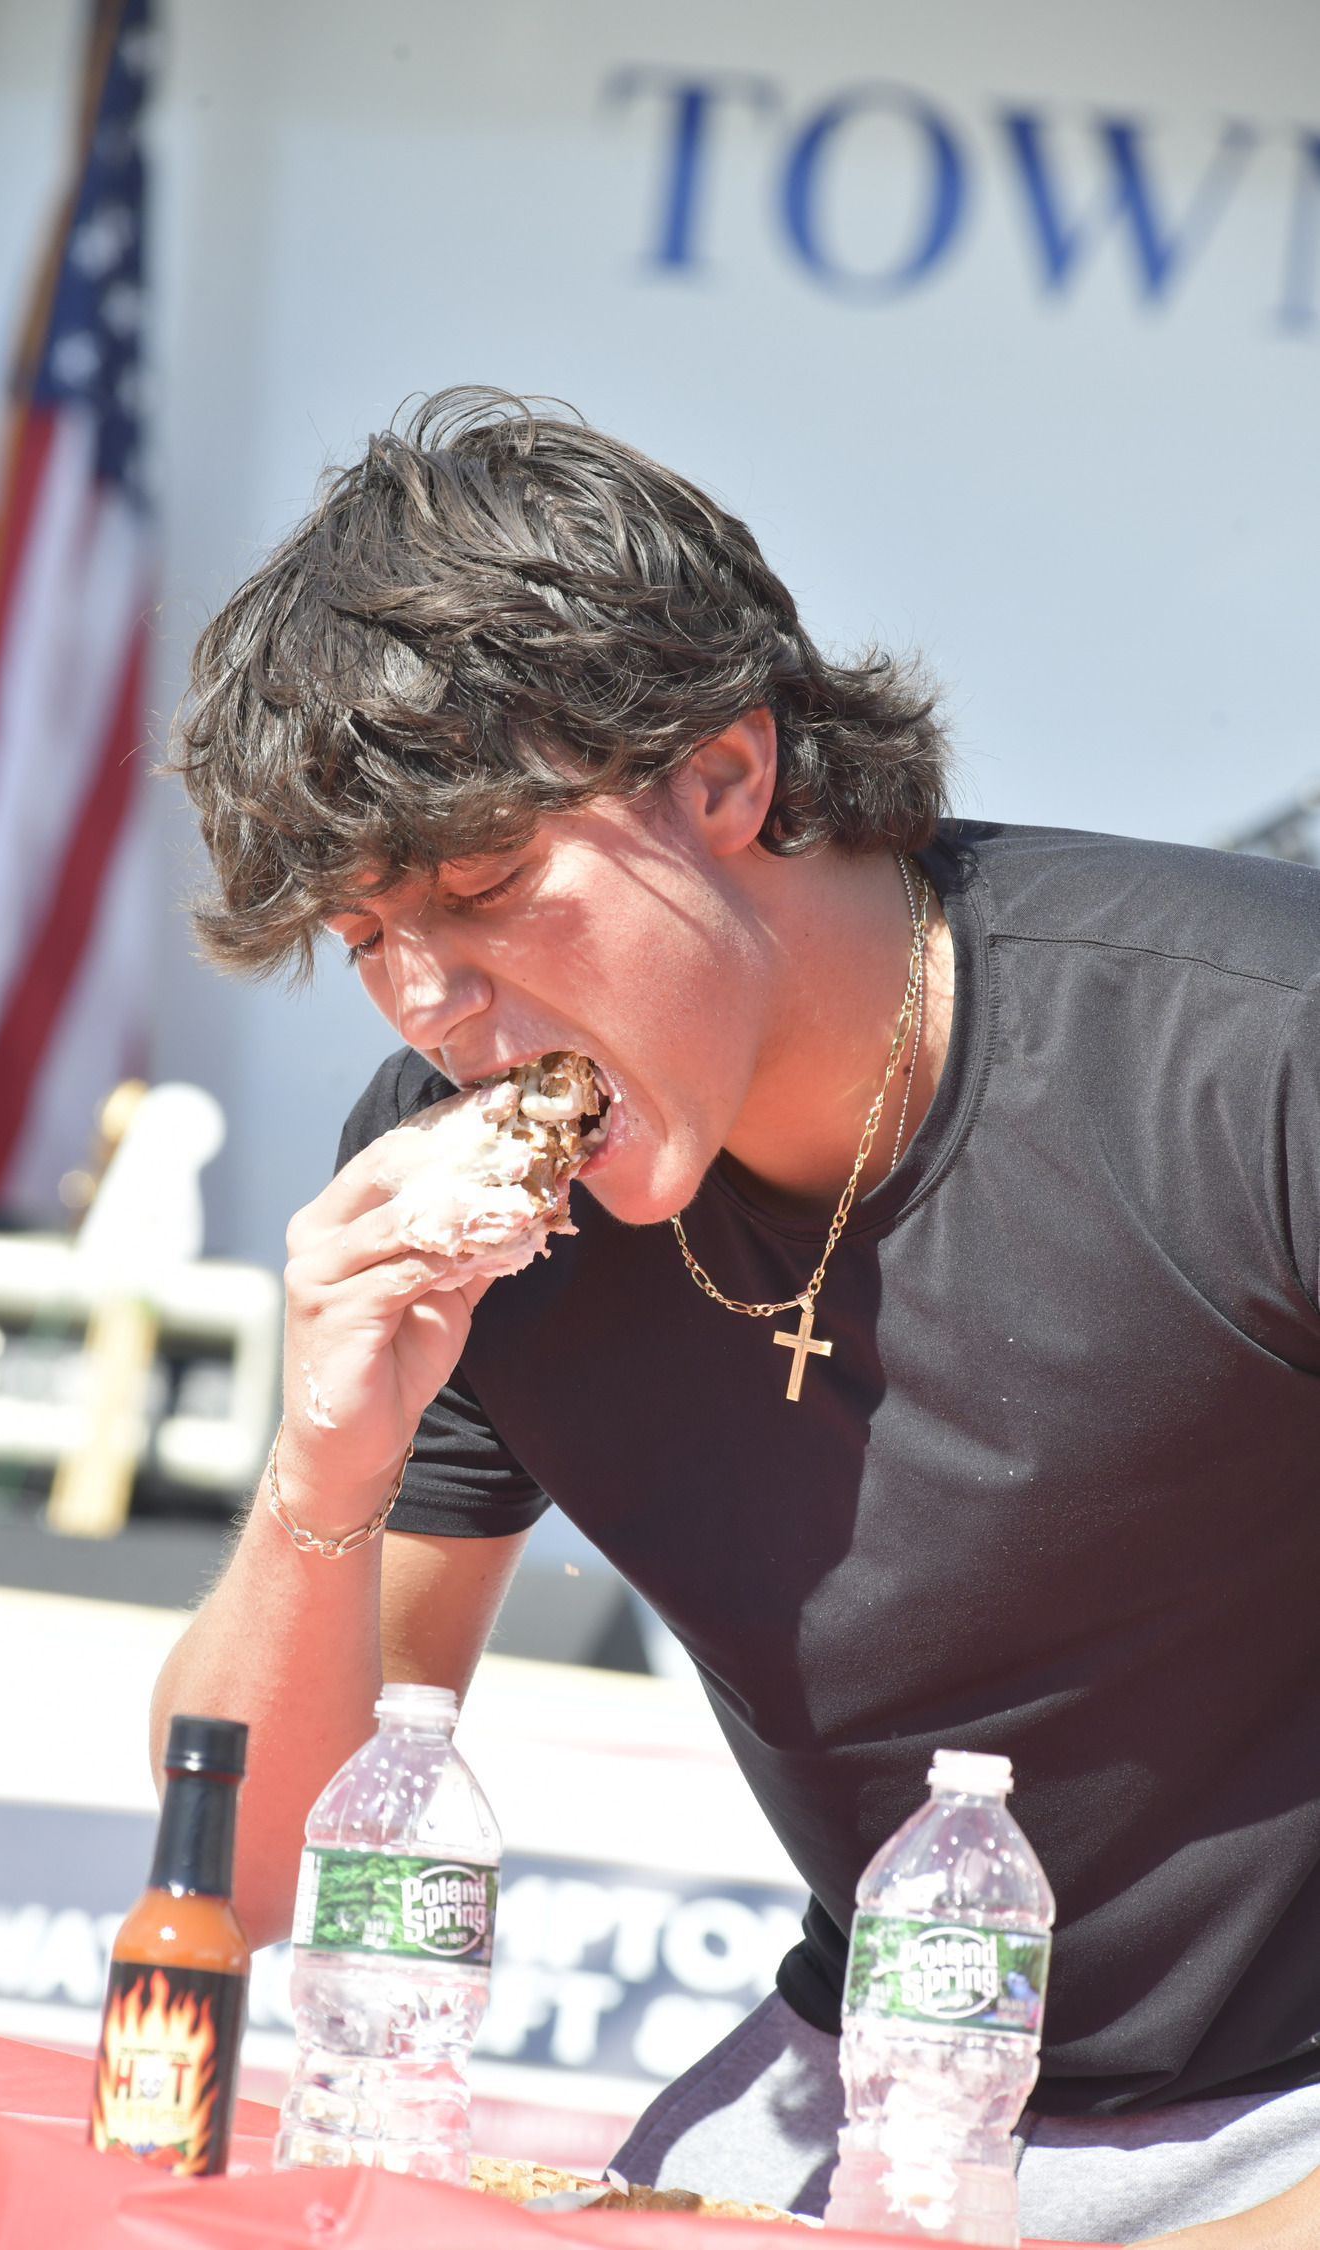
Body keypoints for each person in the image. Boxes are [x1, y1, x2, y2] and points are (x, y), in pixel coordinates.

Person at [154, 388, 1320, 2246]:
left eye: (479, 886)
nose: (430, 1001)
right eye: (367, 936)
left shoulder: (1251, 1057)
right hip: (867, 2082)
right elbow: (257, 1865)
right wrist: (330, 1456)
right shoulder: (455, 1178)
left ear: (724, 773)